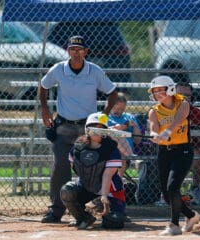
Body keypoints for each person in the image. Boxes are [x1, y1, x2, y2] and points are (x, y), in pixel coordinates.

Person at [39, 35, 118, 223]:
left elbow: (112, 92)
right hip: (64, 125)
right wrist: (44, 108)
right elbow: (43, 86)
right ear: (68, 51)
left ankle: (94, 208)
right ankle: (56, 210)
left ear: (85, 52)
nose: (76, 52)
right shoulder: (58, 69)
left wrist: (103, 117)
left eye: (80, 49)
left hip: (87, 129)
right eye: (72, 49)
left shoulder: (94, 70)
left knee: (93, 166)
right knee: (61, 166)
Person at [148, 75, 200, 236]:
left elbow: (180, 117)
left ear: (170, 89)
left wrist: (168, 131)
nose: (158, 94)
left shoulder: (182, 102)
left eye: (160, 90)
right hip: (164, 153)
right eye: (155, 91)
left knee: (173, 187)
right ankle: (192, 216)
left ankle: (174, 225)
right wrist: (155, 136)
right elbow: (153, 128)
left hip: (183, 151)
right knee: (166, 193)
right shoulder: (154, 111)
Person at [60, 112, 126, 230]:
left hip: (110, 192)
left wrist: (104, 196)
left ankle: (111, 212)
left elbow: (108, 175)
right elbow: (76, 169)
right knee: (67, 191)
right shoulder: (77, 148)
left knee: (114, 222)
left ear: (106, 132)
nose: (97, 130)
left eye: (101, 128)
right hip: (87, 187)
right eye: (94, 127)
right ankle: (84, 217)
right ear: (87, 129)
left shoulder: (111, 149)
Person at [176, 82, 200, 205]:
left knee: (199, 154)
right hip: (170, 148)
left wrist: (194, 130)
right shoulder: (165, 111)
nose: (184, 98)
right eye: (180, 95)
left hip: (192, 148)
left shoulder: (198, 113)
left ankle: (195, 188)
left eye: (187, 95)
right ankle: (169, 192)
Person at [108, 92, 142, 176]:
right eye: (117, 108)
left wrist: (134, 126)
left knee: (121, 157)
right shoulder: (104, 117)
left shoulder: (130, 117)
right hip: (109, 151)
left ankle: (118, 185)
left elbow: (138, 141)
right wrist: (117, 128)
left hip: (125, 155)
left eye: (122, 109)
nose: (119, 111)